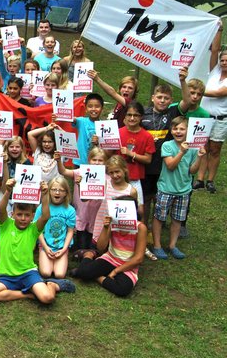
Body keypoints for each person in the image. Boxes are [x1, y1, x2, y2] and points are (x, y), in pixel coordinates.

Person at [0, 179, 76, 304]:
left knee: (47, 298)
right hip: (6, 275)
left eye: (27, 215)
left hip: (28, 274)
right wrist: (8, 191)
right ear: (13, 214)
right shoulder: (6, 225)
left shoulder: (33, 229)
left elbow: (45, 216)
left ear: (32, 216)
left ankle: (52, 285)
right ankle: (27, 294)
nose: (23, 218)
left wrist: (44, 195)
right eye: (19, 214)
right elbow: (1, 209)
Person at [151, 117, 205, 260]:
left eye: (182, 129)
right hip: (166, 188)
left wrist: (199, 157)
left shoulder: (193, 148)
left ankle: (172, 245)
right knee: (159, 217)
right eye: (175, 129)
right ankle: (157, 245)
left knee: (177, 219)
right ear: (171, 130)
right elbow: (170, 165)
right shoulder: (167, 146)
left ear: (188, 131)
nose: (178, 131)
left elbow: (192, 170)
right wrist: (181, 152)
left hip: (183, 190)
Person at [71, 196, 146, 297]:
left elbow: (138, 259)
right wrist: (106, 228)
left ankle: (97, 276)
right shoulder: (113, 224)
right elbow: (101, 247)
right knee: (83, 272)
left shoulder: (140, 228)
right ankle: (88, 254)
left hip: (128, 265)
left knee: (123, 289)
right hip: (110, 259)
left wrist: (116, 271)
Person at [196, 25, 226, 192]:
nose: (224, 62)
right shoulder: (214, 71)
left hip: (220, 119)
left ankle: (211, 180)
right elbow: (215, 50)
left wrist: (195, 92)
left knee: (215, 149)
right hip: (204, 116)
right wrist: (219, 31)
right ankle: (200, 179)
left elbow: (219, 93)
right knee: (203, 147)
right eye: (222, 60)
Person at [35, 177, 75, 279]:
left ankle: (63, 255)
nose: (57, 193)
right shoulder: (42, 208)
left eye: (61, 190)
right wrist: (45, 248)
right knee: (46, 273)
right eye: (54, 189)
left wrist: (64, 249)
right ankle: (43, 254)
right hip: (46, 245)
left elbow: (70, 232)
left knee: (59, 274)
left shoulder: (70, 210)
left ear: (66, 193)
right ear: (49, 191)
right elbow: (37, 230)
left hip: (61, 247)